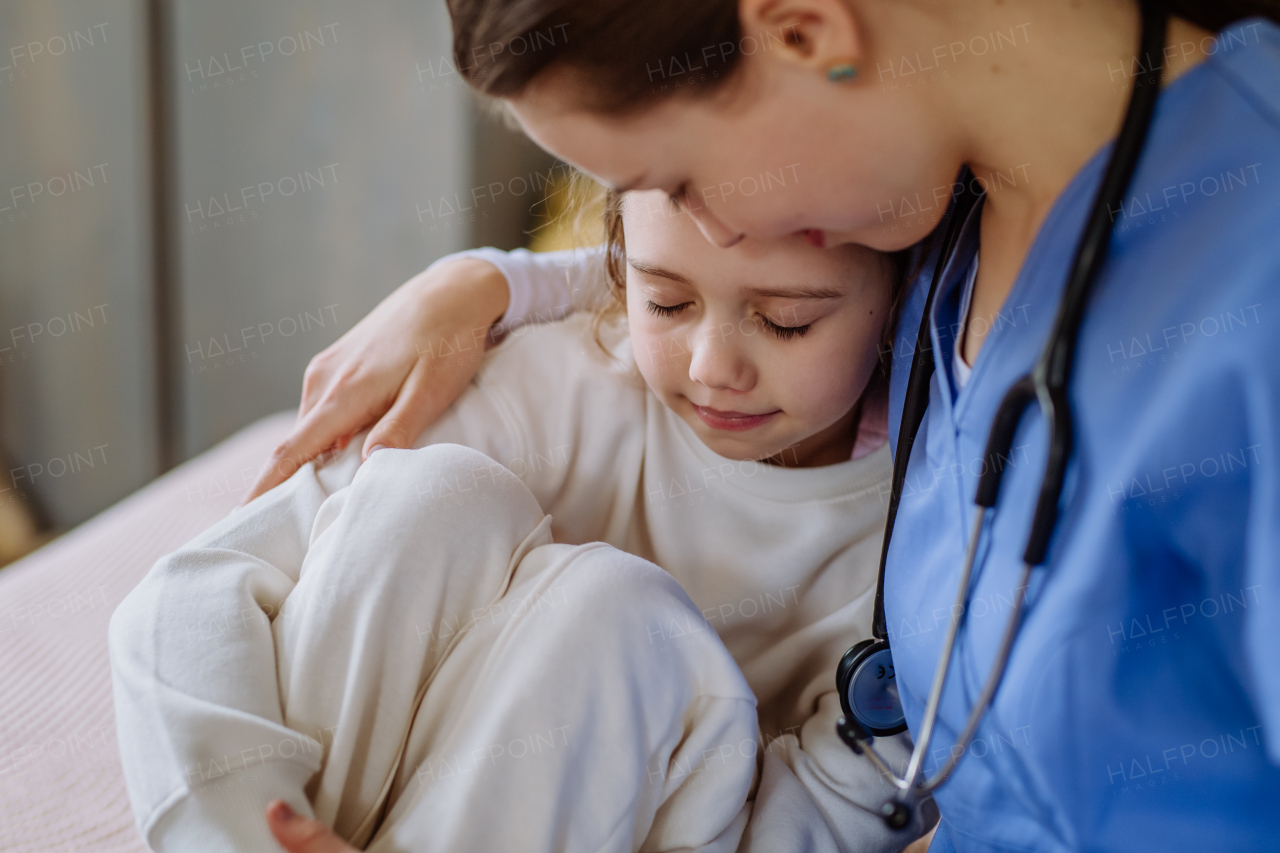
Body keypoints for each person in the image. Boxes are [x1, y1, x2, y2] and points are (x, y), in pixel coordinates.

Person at [242, 1, 1280, 850]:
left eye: (675, 183)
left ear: (803, 34)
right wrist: (485, 285)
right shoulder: (939, 223)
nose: (708, 230)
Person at [110, 189, 936, 853]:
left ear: (908, 293)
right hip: (331, 810)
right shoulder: (564, 379)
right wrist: (235, 825)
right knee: (432, 495)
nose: (711, 367)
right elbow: (185, 597)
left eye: (785, 320)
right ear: (618, 271)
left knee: (617, 614)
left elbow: (834, 813)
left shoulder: (930, 543)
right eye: (666, 301)